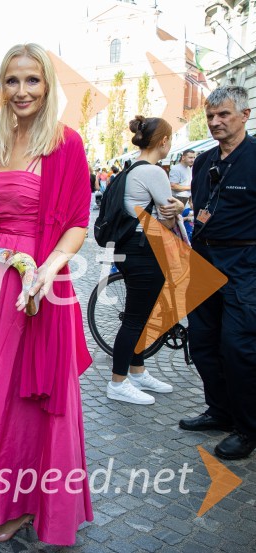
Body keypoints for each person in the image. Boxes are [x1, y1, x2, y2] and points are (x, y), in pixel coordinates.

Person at [0, 43, 93, 545]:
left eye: (32, 80)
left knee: (31, 399)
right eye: (12, 81)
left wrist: (46, 272)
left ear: (48, 84)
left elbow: (77, 222)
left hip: (41, 285)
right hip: (0, 283)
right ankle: (0, 502)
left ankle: (31, 505)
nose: (22, 91)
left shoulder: (66, 143)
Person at [180, 85, 256, 460]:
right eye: (210, 116)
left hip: (245, 264)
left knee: (238, 347)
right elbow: (200, 206)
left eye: (223, 114)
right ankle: (220, 410)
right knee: (202, 342)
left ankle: (247, 428)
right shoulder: (203, 161)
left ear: (244, 115)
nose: (215, 122)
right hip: (204, 259)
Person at [107, 116, 182, 405]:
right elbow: (167, 218)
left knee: (141, 315)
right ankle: (118, 382)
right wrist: (179, 208)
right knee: (136, 320)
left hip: (130, 249)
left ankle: (137, 372)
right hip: (145, 250)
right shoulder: (154, 172)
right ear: (163, 141)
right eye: (170, 140)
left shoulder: (131, 168)